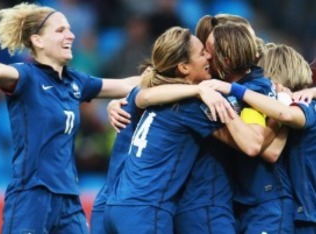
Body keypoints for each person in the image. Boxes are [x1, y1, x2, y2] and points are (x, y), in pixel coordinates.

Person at [0, 2, 143, 233]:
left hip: (69, 201)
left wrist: (172, 75)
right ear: (38, 40)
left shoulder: (76, 82)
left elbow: (127, 84)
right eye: (60, 30)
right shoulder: (26, 76)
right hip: (31, 197)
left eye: (70, 29)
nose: (71, 35)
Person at [103, 26, 242, 234]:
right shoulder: (189, 106)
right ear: (184, 67)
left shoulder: (149, 93)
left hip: (117, 205)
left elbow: (140, 95)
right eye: (202, 53)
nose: (209, 58)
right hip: (147, 211)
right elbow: (250, 144)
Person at [204, 44, 314, 233]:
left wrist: (235, 90)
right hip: (296, 212)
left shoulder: (303, 106)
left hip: (307, 214)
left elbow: (272, 150)